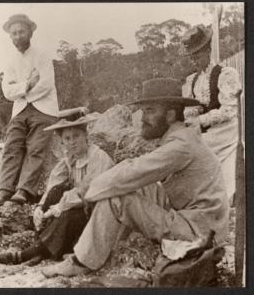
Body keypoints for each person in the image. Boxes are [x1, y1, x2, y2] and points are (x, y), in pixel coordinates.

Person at [41, 77, 229, 277]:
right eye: (143, 111)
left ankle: (81, 262)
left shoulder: (181, 146)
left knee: (117, 196)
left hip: (200, 232)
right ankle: (107, 250)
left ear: (171, 115)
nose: (142, 118)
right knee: (130, 186)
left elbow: (134, 171)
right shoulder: (181, 138)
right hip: (197, 221)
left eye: (150, 111)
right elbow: (135, 174)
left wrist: (80, 194)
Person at [0, 109, 114, 265]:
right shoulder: (70, 159)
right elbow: (54, 185)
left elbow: (88, 191)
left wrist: (59, 207)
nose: (72, 142)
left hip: (99, 213)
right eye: (67, 138)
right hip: (79, 206)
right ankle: (42, 250)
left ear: (85, 135)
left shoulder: (98, 157)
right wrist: (41, 207)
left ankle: (27, 254)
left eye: (76, 136)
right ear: (62, 141)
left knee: (68, 214)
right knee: (56, 192)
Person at [0, 14, 59, 207]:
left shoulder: (42, 54)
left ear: (30, 32)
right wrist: (27, 84)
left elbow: (46, 84)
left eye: (21, 32)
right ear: (10, 36)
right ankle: (4, 191)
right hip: (20, 110)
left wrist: (21, 90)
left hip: (44, 109)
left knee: (36, 148)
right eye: (14, 33)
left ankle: (24, 190)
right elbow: (7, 91)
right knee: (11, 146)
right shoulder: (11, 61)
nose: (17, 36)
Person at [180, 25, 242, 203]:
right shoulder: (193, 80)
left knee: (194, 147)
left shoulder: (225, 74)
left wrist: (199, 121)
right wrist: (188, 118)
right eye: (191, 57)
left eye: (197, 56)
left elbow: (229, 110)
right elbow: (193, 107)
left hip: (225, 131)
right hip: (207, 129)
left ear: (208, 51)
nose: (194, 61)